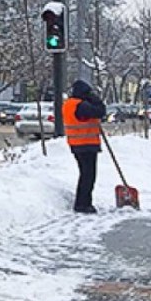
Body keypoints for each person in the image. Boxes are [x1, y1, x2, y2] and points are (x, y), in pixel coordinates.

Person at [62, 79, 107, 214]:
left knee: (85, 174)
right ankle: (83, 204)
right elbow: (100, 112)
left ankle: (83, 202)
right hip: (86, 144)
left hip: (77, 144)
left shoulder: (69, 104)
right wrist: (96, 100)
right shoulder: (81, 105)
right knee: (88, 175)